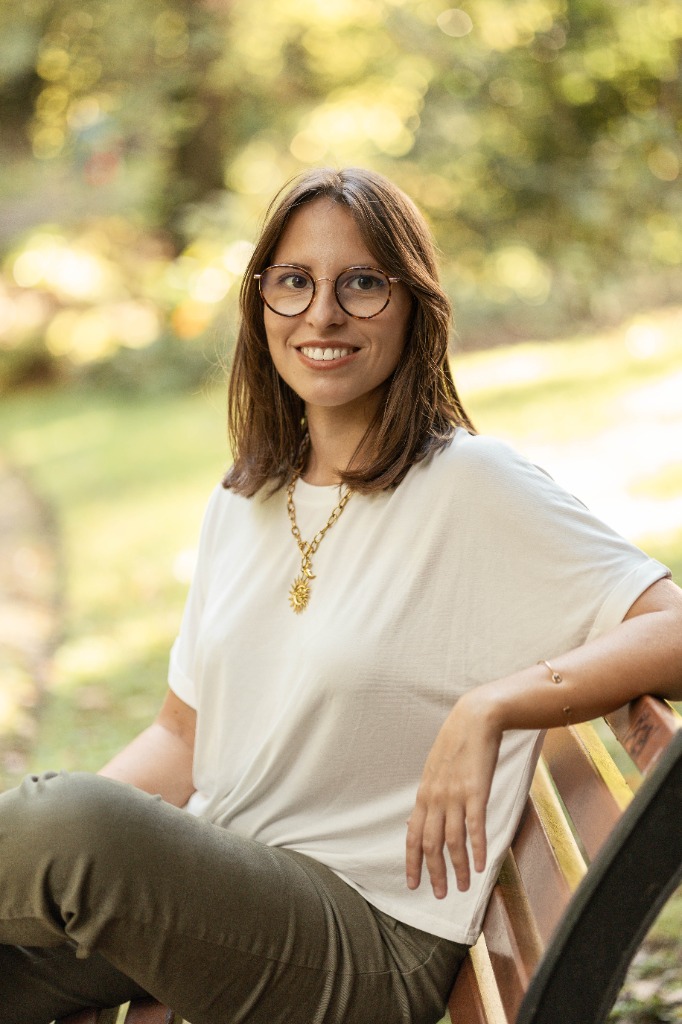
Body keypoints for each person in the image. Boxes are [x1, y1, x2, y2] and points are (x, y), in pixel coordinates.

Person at [1, 167, 681, 1024]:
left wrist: (494, 704)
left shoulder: (470, 485)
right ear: (260, 308)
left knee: (68, 817)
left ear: (413, 306)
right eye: (294, 283)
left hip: (366, 944)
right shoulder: (244, 499)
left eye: (361, 283)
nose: (322, 314)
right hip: (224, 905)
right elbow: (182, 736)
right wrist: (45, 870)